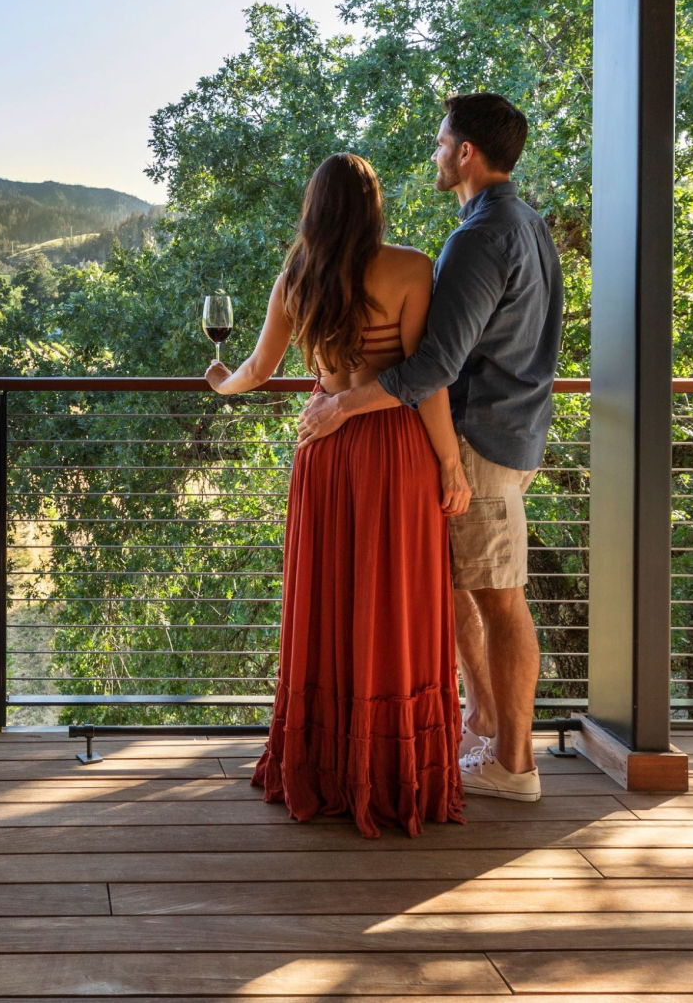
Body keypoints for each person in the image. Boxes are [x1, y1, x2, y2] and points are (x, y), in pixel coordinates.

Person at [296, 93, 562, 803]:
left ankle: (514, 763)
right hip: (515, 429)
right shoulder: (527, 223)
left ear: (467, 153)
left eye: (442, 143)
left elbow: (433, 366)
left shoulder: (477, 238)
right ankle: (478, 720)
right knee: (454, 586)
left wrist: (344, 402)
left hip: (479, 438)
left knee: (501, 598)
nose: (436, 154)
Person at [206, 152, 472, 838]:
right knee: (395, 600)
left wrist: (220, 383)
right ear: (374, 205)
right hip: (395, 449)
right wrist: (450, 464)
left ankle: (325, 762)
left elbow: (258, 369)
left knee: (330, 599)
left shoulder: (296, 276)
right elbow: (426, 379)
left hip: (324, 451)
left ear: (314, 208)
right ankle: (391, 771)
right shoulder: (412, 268)